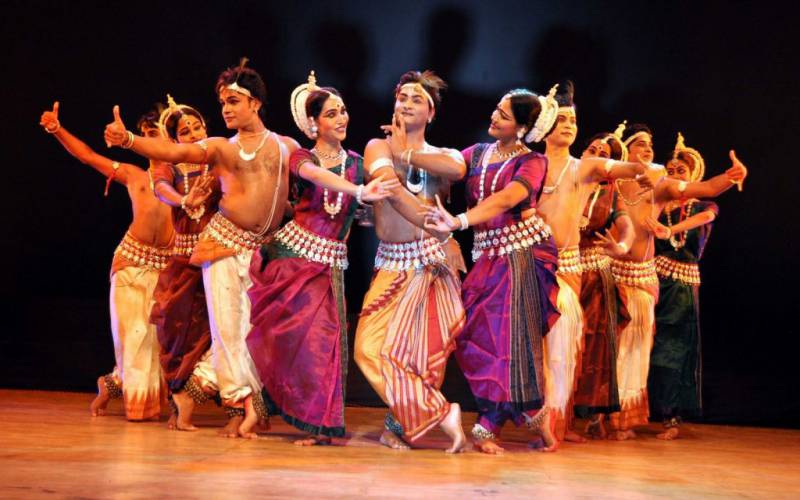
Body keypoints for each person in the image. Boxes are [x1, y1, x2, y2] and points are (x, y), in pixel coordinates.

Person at [104, 59, 299, 437]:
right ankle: (242, 403)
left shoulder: (285, 146)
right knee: (228, 333)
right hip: (223, 247)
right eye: (223, 103)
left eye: (233, 101)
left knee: (258, 331)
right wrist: (128, 140)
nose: (225, 109)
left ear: (255, 103)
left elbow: (307, 181)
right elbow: (175, 155)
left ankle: (245, 401)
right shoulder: (221, 148)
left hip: (263, 252)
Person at [245, 73, 398, 443]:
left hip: (330, 266)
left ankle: (322, 423)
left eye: (343, 111)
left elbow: (361, 213)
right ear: (314, 122)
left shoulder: (359, 164)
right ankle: (266, 409)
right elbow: (315, 177)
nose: (342, 119)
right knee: (290, 341)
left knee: (325, 344)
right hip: (294, 260)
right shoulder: (302, 157)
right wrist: (360, 191)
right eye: (332, 114)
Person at [424, 86, 563, 453]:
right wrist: (409, 150)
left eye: (503, 114)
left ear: (521, 127)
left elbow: (506, 199)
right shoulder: (480, 153)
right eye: (496, 109)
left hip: (520, 257)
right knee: (477, 336)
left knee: (508, 340)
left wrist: (459, 221)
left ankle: (491, 423)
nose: (494, 117)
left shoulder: (532, 162)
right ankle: (528, 419)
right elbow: (450, 162)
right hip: (488, 257)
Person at [607, 126, 748, 440]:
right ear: (625, 151)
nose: (648, 148)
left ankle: (633, 418)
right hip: (615, 273)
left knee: (646, 350)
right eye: (640, 144)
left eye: (651, 144)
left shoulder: (664, 188)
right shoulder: (610, 184)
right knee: (607, 349)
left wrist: (731, 176)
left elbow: (709, 190)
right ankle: (600, 415)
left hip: (651, 281)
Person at [354, 70, 468, 453]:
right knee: (368, 349)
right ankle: (439, 412)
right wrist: (433, 223)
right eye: (401, 97)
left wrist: (406, 153)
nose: (405, 103)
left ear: (432, 112)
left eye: (416, 99)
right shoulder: (376, 147)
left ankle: (398, 427)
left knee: (418, 358)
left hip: (430, 263)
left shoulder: (445, 155)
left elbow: (457, 170)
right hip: (391, 263)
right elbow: (388, 187)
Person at [41, 102, 172, 421]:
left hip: (164, 269)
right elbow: (87, 156)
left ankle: (112, 384)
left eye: (157, 134)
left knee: (153, 343)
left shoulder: (187, 180)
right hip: (130, 262)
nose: (151, 141)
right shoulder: (134, 175)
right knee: (134, 335)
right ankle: (138, 407)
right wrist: (58, 130)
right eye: (146, 135)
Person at [537, 84, 647, 442]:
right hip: (529, 265)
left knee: (561, 349)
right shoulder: (528, 165)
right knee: (526, 349)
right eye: (562, 118)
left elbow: (620, 169)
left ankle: (555, 423)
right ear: (544, 124)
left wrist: (638, 166)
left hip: (568, 271)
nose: (569, 124)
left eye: (574, 119)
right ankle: (521, 416)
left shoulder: (584, 168)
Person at [148, 96, 221, 431]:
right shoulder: (171, 165)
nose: (192, 133)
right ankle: (180, 400)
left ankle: (199, 398)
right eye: (185, 131)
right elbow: (162, 188)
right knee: (179, 332)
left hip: (217, 257)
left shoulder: (219, 158)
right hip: (184, 260)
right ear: (175, 140)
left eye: (197, 126)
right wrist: (183, 199)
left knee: (216, 333)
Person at [645, 133, 719, 440]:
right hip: (652, 280)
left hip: (683, 288)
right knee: (644, 346)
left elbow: (705, 216)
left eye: (681, 172)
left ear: (693, 177)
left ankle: (670, 416)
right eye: (671, 172)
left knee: (672, 351)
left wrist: (670, 230)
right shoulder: (658, 204)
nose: (674, 176)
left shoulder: (705, 204)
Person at [572, 126, 636, 439]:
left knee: (593, 344)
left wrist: (621, 247)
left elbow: (626, 228)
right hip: (562, 271)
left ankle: (589, 414)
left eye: (606, 155)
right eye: (594, 150)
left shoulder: (610, 193)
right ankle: (554, 412)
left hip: (595, 275)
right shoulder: (563, 178)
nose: (598, 157)